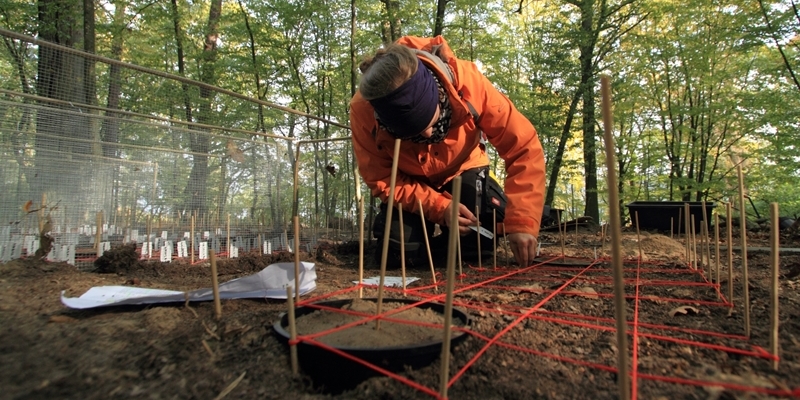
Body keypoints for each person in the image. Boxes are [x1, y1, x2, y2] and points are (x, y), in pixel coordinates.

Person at [349, 35, 546, 268]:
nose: (428, 135)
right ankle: (421, 248)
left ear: (439, 93)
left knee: (476, 247)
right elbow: (382, 179)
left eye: (432, 121)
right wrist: (440, 208)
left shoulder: (469, 83)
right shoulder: (363, 112)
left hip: (464, 168)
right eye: (413, 134)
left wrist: (523, 220)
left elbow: (522, 147)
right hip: (409, 183)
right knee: (399, 252)